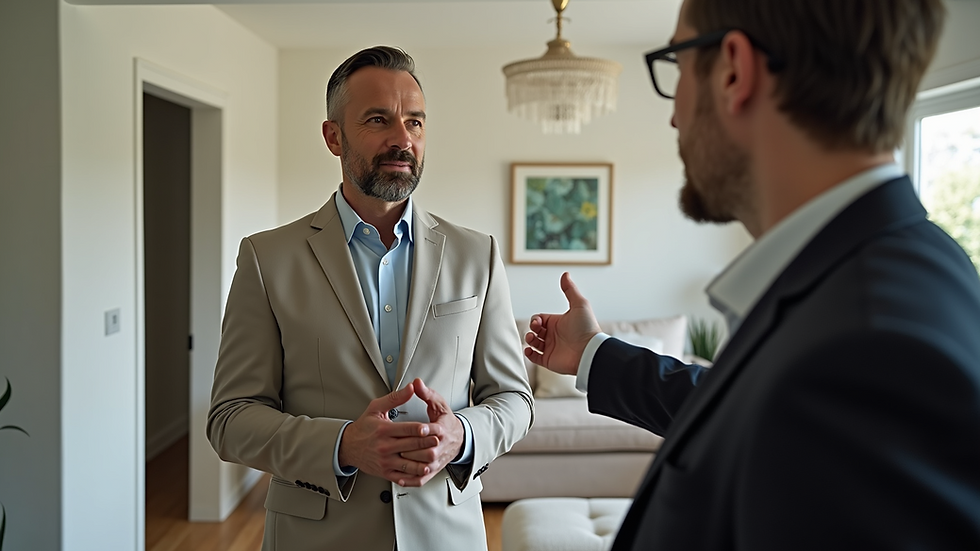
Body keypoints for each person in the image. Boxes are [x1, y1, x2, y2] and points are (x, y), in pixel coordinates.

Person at [525, 0, 980, 549]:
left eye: (678, 65)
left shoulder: (873, 345)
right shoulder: (877, 273)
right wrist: (594, 353)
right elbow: (747, 409)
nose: (673, 116)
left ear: (734, 71)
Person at [208, 46, 533, 551]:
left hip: (445, 536)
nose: (402, 139)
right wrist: (342, 444)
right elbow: (230, 419)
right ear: (333, 136)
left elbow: (515, 400)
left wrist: (461, 436)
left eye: (415, 122)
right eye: (379, 119)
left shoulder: (478, 255)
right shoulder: (266, 258)